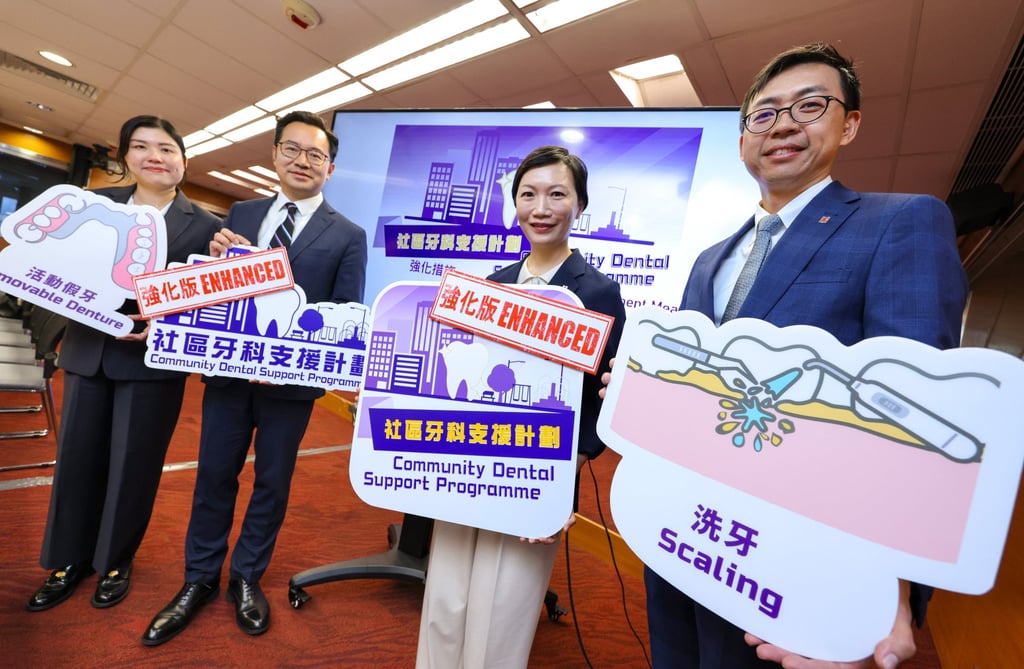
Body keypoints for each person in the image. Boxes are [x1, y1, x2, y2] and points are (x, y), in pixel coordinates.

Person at [626, 43, 968, 669]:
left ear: (850, 123)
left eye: (810, 106)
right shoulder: (710, 259)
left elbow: (912, 417)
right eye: (764, 114)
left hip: (803, 559)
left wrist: (886, 594)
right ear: (743, 139)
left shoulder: (902, 223)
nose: (783, 124)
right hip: (686, 537)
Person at [141, 110, 368, 645]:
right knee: (213, 475)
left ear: (330, 168)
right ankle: (197, 580)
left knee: (272, 481)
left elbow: (343, 313)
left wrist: (291, 358)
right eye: (292, 149)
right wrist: (212, 259)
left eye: (316, 155)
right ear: (274, 155)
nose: (303, 161)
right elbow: (213, 290)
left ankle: (246, 577)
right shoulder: (242, 212)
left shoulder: (350, 235)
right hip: (227, 376)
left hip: (290, 388)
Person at [416, 145, 626, 668]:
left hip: (539, 473)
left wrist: (564, 476)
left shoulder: (597, 292)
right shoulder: (493, 286)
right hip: (470, 460)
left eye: (557, 194)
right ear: (515, 205)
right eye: (528, 194)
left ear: (579, 205)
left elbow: (603, 397)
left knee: (505, 602)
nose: (541, 207)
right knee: (447, 592)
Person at [27, 116, 221, 612]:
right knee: (76, 461)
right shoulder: (95, 205)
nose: (155, 156)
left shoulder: (209, 228)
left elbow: (208, 304)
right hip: (89, 352)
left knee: (134, 468)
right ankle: (68, 560)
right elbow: (53, 272)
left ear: (184, 159)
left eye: (166, 148)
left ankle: (115, 560)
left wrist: (169, 326)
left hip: (153, 364)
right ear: (124, 157)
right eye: (141, 147)